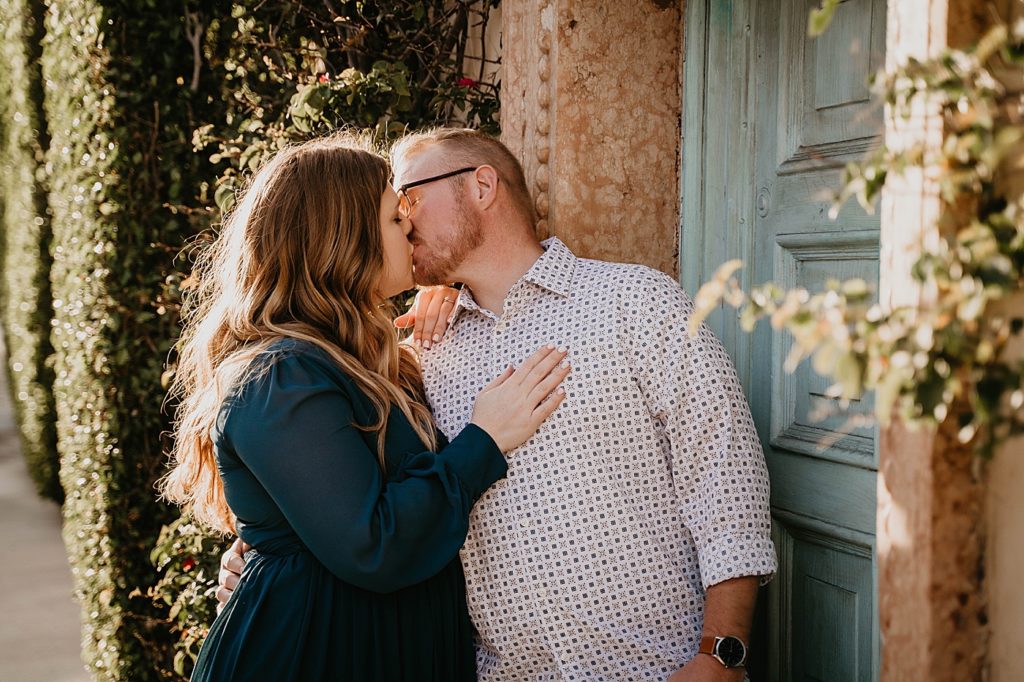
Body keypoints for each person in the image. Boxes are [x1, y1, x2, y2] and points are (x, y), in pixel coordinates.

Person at [220, 128, 778, 681]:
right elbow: (352, 494)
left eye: (409, 196)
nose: (406, 219)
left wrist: (721, 653)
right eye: (397, 210)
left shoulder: (635, 301)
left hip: (657, 668)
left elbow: (725, 478)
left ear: (482, 186)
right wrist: (261, 551)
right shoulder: (416, 357)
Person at [159, 134, 571, 682]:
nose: (410, 228)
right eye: (394, 217)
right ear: (342, 239)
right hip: (310, 656)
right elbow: (371, 544)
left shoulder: (357, 360)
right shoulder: (279, 376)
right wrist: (483, 441)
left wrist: (450, 285)